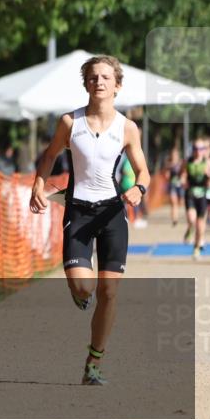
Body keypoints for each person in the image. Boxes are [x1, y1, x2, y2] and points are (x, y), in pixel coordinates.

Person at [29, 55, 150, 386]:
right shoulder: (70, 122)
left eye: (106, 77)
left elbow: (143, 171)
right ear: (86, 84)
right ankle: (79, 291)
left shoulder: (128, 128)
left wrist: (139, 189)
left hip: (112, 213)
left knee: (109, 292)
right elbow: (49, 155)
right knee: (84, 288)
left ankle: (93, 362)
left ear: (117, 86)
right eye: (94, 77)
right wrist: (39, 184)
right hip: (79, 212)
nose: (99, 82)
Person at [182, 138, 210, 259]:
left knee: (200, 225)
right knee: (192, 219)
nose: (198, 151)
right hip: (190, 194)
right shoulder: (188, 161)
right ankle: (189, 229)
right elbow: (183, 175)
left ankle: (196, 248)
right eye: (195, 148)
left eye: (201, 148)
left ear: (204, 150)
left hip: (203, 196)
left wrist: (209, 177)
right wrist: (183, 181)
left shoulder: (208, 162)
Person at [165, 147, 185, 227]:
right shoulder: (168, 164)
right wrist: (168, 173)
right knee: (174, 202)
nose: (174, 155)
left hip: (180, 185)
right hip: (172, 185)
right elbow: (166, 175)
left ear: (178, 155)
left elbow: (184, 172)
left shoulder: (181, 163)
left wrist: (183, 177)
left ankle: (178, 216)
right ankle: (174, 219)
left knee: (180, 202)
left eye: (175, 154)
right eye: (173, 154)